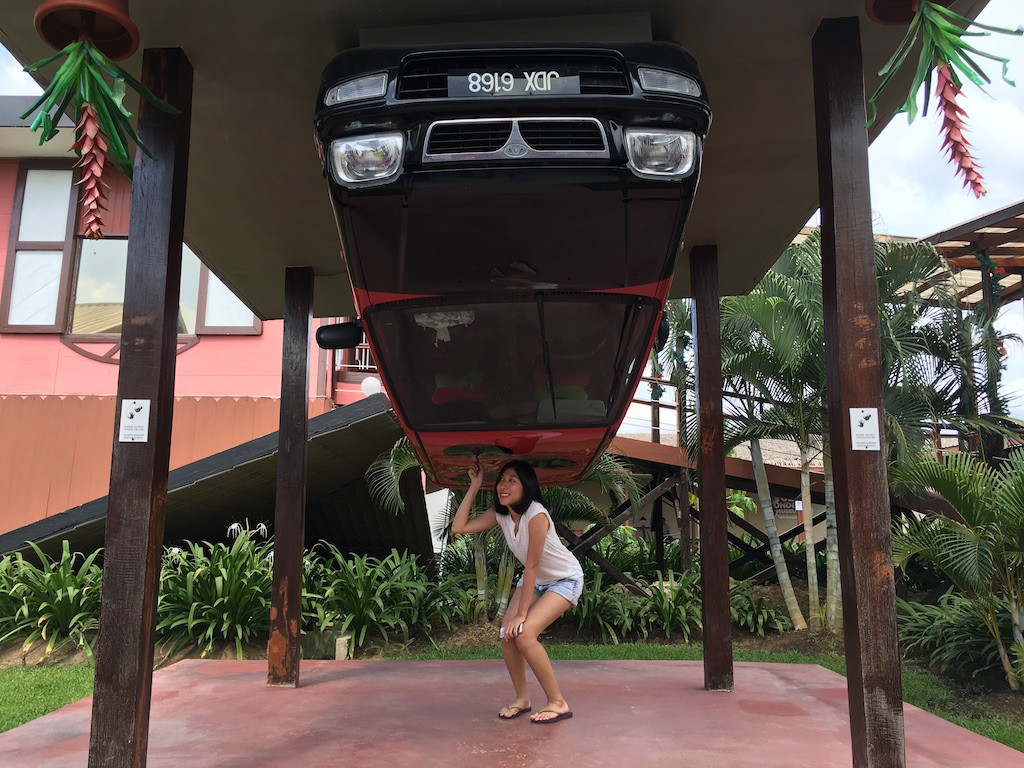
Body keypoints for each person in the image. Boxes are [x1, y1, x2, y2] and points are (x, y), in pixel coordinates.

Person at [451, 459, 583, 724]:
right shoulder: (502, 513)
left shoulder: (537, 515)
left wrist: (522, 615)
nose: (504, 485)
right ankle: (522, 698)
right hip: (537, 580)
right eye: (502, 480)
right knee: (506, 634)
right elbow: (459, 527)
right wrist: (475, 485)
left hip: (564, 579)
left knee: (523, 634)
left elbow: (532, 565)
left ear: (527, 486)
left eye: (512, 480)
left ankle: (558, 702)